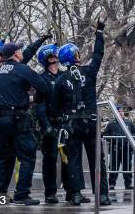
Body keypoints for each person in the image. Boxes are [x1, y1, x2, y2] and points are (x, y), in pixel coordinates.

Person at [0, 33, 51, 196]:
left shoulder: (1, 71)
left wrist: (39, 41)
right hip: (13, 118)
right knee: (20, 155)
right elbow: (44, 87)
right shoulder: (3, 72)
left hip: (2, 120)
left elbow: (26, 54)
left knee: (4, 157)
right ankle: (14, 193)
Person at [52, 19, 111, 206]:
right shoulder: (89, 72)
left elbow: (55, 105)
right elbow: (98, 55)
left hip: (71, 124)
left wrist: (63, 117)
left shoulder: (61, 80)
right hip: (91, 122)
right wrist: (99, 34)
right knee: (97, 160)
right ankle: (102, 195)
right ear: (74, 57)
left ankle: (76, 193)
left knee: (74, 159)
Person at [33, 44, 70, 204]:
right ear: (48, 59)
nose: (56, 59)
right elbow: (39, 105)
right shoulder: (42, 79)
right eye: (53, 57)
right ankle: (50, 193)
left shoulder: (64, 76)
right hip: (50, 122)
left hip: (65, 123)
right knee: (50, 160)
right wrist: (45, 125)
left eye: (56, 57)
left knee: (69, 159)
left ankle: (72, 190)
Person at [104, 105, 135, 190]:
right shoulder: (111, 124)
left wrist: (130, 139)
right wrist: (113, 139)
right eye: (119, 111)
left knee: (127, 166)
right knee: (113, 166)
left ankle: (128, 184)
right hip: (115, 148)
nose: (121, 112)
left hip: (126, 148)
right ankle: (111, 184)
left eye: (122, 111)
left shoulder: (128, 122)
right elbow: (105, 135)